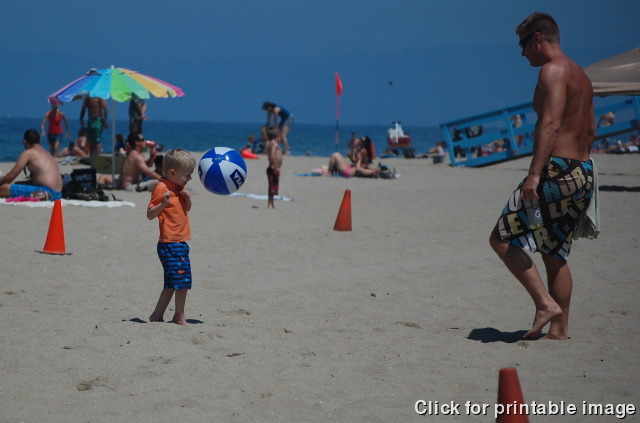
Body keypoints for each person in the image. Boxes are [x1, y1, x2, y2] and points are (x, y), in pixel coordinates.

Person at [489, 12, 596, 341]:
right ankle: (559, 331)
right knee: (554, 250)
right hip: (583, 169)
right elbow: (591, 129)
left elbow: (550, 124)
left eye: (523, 45)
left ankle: (544, 304)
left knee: (501, 238)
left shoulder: (553, 70)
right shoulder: (581, 75)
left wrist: (535, 175)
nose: (522, 53)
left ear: (538, 38)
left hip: (557, 170)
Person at [147, 149, 196, 326]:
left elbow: (187, 209)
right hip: (169, 244)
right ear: (172, 173)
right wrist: (163, 203)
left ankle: (157, 315)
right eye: (187, 175)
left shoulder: (179, 187)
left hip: (180, 242)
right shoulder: (162, 189)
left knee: (171, 283)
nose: (190, 178)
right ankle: (179, 316)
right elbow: (150, 214)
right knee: (183, 281)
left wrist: (187, 199)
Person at [0, 129, 63, 200]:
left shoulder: (28, 153)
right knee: (13, 184)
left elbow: (11, 176)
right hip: (58, 194)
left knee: (4, 188)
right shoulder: (47, 153)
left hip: (46, 191)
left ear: (25, 141)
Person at [97, 133, 162, 191]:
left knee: (102, 177)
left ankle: (99, 191)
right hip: (130, 186)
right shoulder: (135, 155)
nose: (145, 141)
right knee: (157, 182)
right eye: (143, 140)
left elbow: (148, 165)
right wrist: (163, 179)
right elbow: (148, 172)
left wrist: (152, 156)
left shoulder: (138, 154)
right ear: (137, 142)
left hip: (126, 183)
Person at [265, 127, 283, 209]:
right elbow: (272, 155)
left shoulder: (270, 144)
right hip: (273, 168)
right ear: (277, 136)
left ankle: (271, 203)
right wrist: (276, 167)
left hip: (272, 168)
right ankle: (270, 204)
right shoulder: (274, 144)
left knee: (273, 187)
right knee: (272, 187)